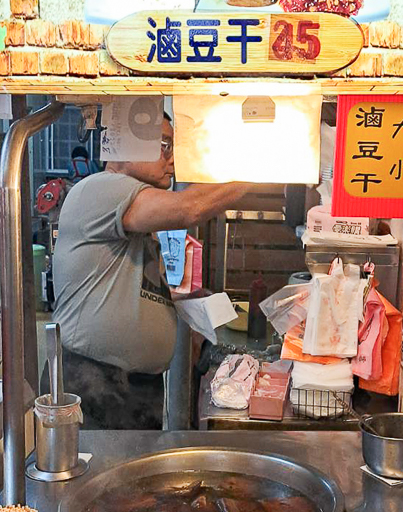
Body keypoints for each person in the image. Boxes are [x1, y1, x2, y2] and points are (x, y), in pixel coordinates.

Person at [42, 114, 248, 429]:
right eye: (164, 145)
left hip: (138, 387)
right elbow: (188, 209)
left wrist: (179, 301)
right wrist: (258, 170)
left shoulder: (136, 209)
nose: (172, 158)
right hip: (92, 382)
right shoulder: (101, 188)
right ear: (122, 147)